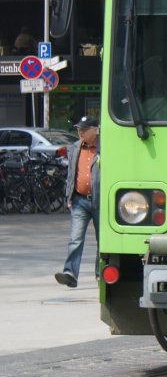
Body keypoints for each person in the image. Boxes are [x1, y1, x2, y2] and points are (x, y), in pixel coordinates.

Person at [55, 116, 100, 288]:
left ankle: (99, 274)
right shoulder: (75, 148)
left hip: (100, 201)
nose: (80, 132)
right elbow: (71, 173)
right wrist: (69, 197)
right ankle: (70, 274)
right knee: (75, 239)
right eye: (78, 129)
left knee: (102, 241)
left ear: (95, 130)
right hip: (79, 200)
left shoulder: (105, 148)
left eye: (84, 129)